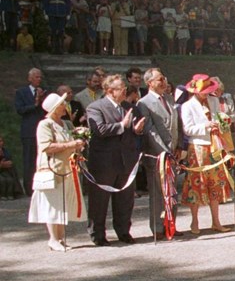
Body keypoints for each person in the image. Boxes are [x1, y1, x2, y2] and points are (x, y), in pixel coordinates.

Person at [85, 74, 146, 245]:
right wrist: (121, 125)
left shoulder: (129, 106)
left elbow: (133, 130)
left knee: (125, 200)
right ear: (110, 91)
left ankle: (123, 231)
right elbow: (100, 130)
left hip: (126, 160)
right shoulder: (95, 107)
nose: (125, 90)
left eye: (125, 88)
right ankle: (98, 235)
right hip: (104, 162)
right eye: (121, 88)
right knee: (99, 201)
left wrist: (137, 129)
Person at [28, 93, 87, 251]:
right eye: (62, 104)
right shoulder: (45, 125)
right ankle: (53, 238)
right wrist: (71, 144)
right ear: (54, 108)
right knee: (52, 205)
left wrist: (81, 139)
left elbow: (76, 141)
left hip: (68, 169)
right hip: (52, 169)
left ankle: (60, 238)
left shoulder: (67, 124)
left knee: (63, 205)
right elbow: (46, 147)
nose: (65, 106)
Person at [180, 74, 232, 234]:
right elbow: (187, 129)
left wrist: (221, 124)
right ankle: (194, 221)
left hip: (215, 144)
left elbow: (219, 118)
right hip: (198, 147)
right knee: (197, 182)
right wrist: (206, 126)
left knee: (215, 183)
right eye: (204, 91)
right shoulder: (187, 106)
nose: (206, 94)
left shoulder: (214, 101)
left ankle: (216, 221)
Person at [138, 68, 181, 237]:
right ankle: (157, 228)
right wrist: (165, 152)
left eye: (164, 78)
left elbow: (177, 125)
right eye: (160, 79)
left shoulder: (169, 99)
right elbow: (150, 131)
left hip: (173, 154)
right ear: (150, 83)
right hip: (158, 156)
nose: (164, 82)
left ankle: (171, 225)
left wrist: (178, 147)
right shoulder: (144, 103)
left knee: (172, 191)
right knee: (157, 193)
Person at [16, 68, 48, 195]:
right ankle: (29, 187)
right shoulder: (21, 92)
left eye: (40, 77)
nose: (39, 79)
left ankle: (42, 184)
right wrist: (35, 103)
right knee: (29, 159)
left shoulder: (45, 92)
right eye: (36, 77)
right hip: (29, 130)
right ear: (30, 78)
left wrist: (42, 100)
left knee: (42, 158)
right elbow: (20, 110)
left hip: (42, 129)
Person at [0, 134, 21, 199]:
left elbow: (9, 161)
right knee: (2, 180)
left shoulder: (5, 151)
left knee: (9, 180)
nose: (1, 143)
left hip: (4, 172)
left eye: (1, 141)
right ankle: (2, 195)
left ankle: (10, 194)